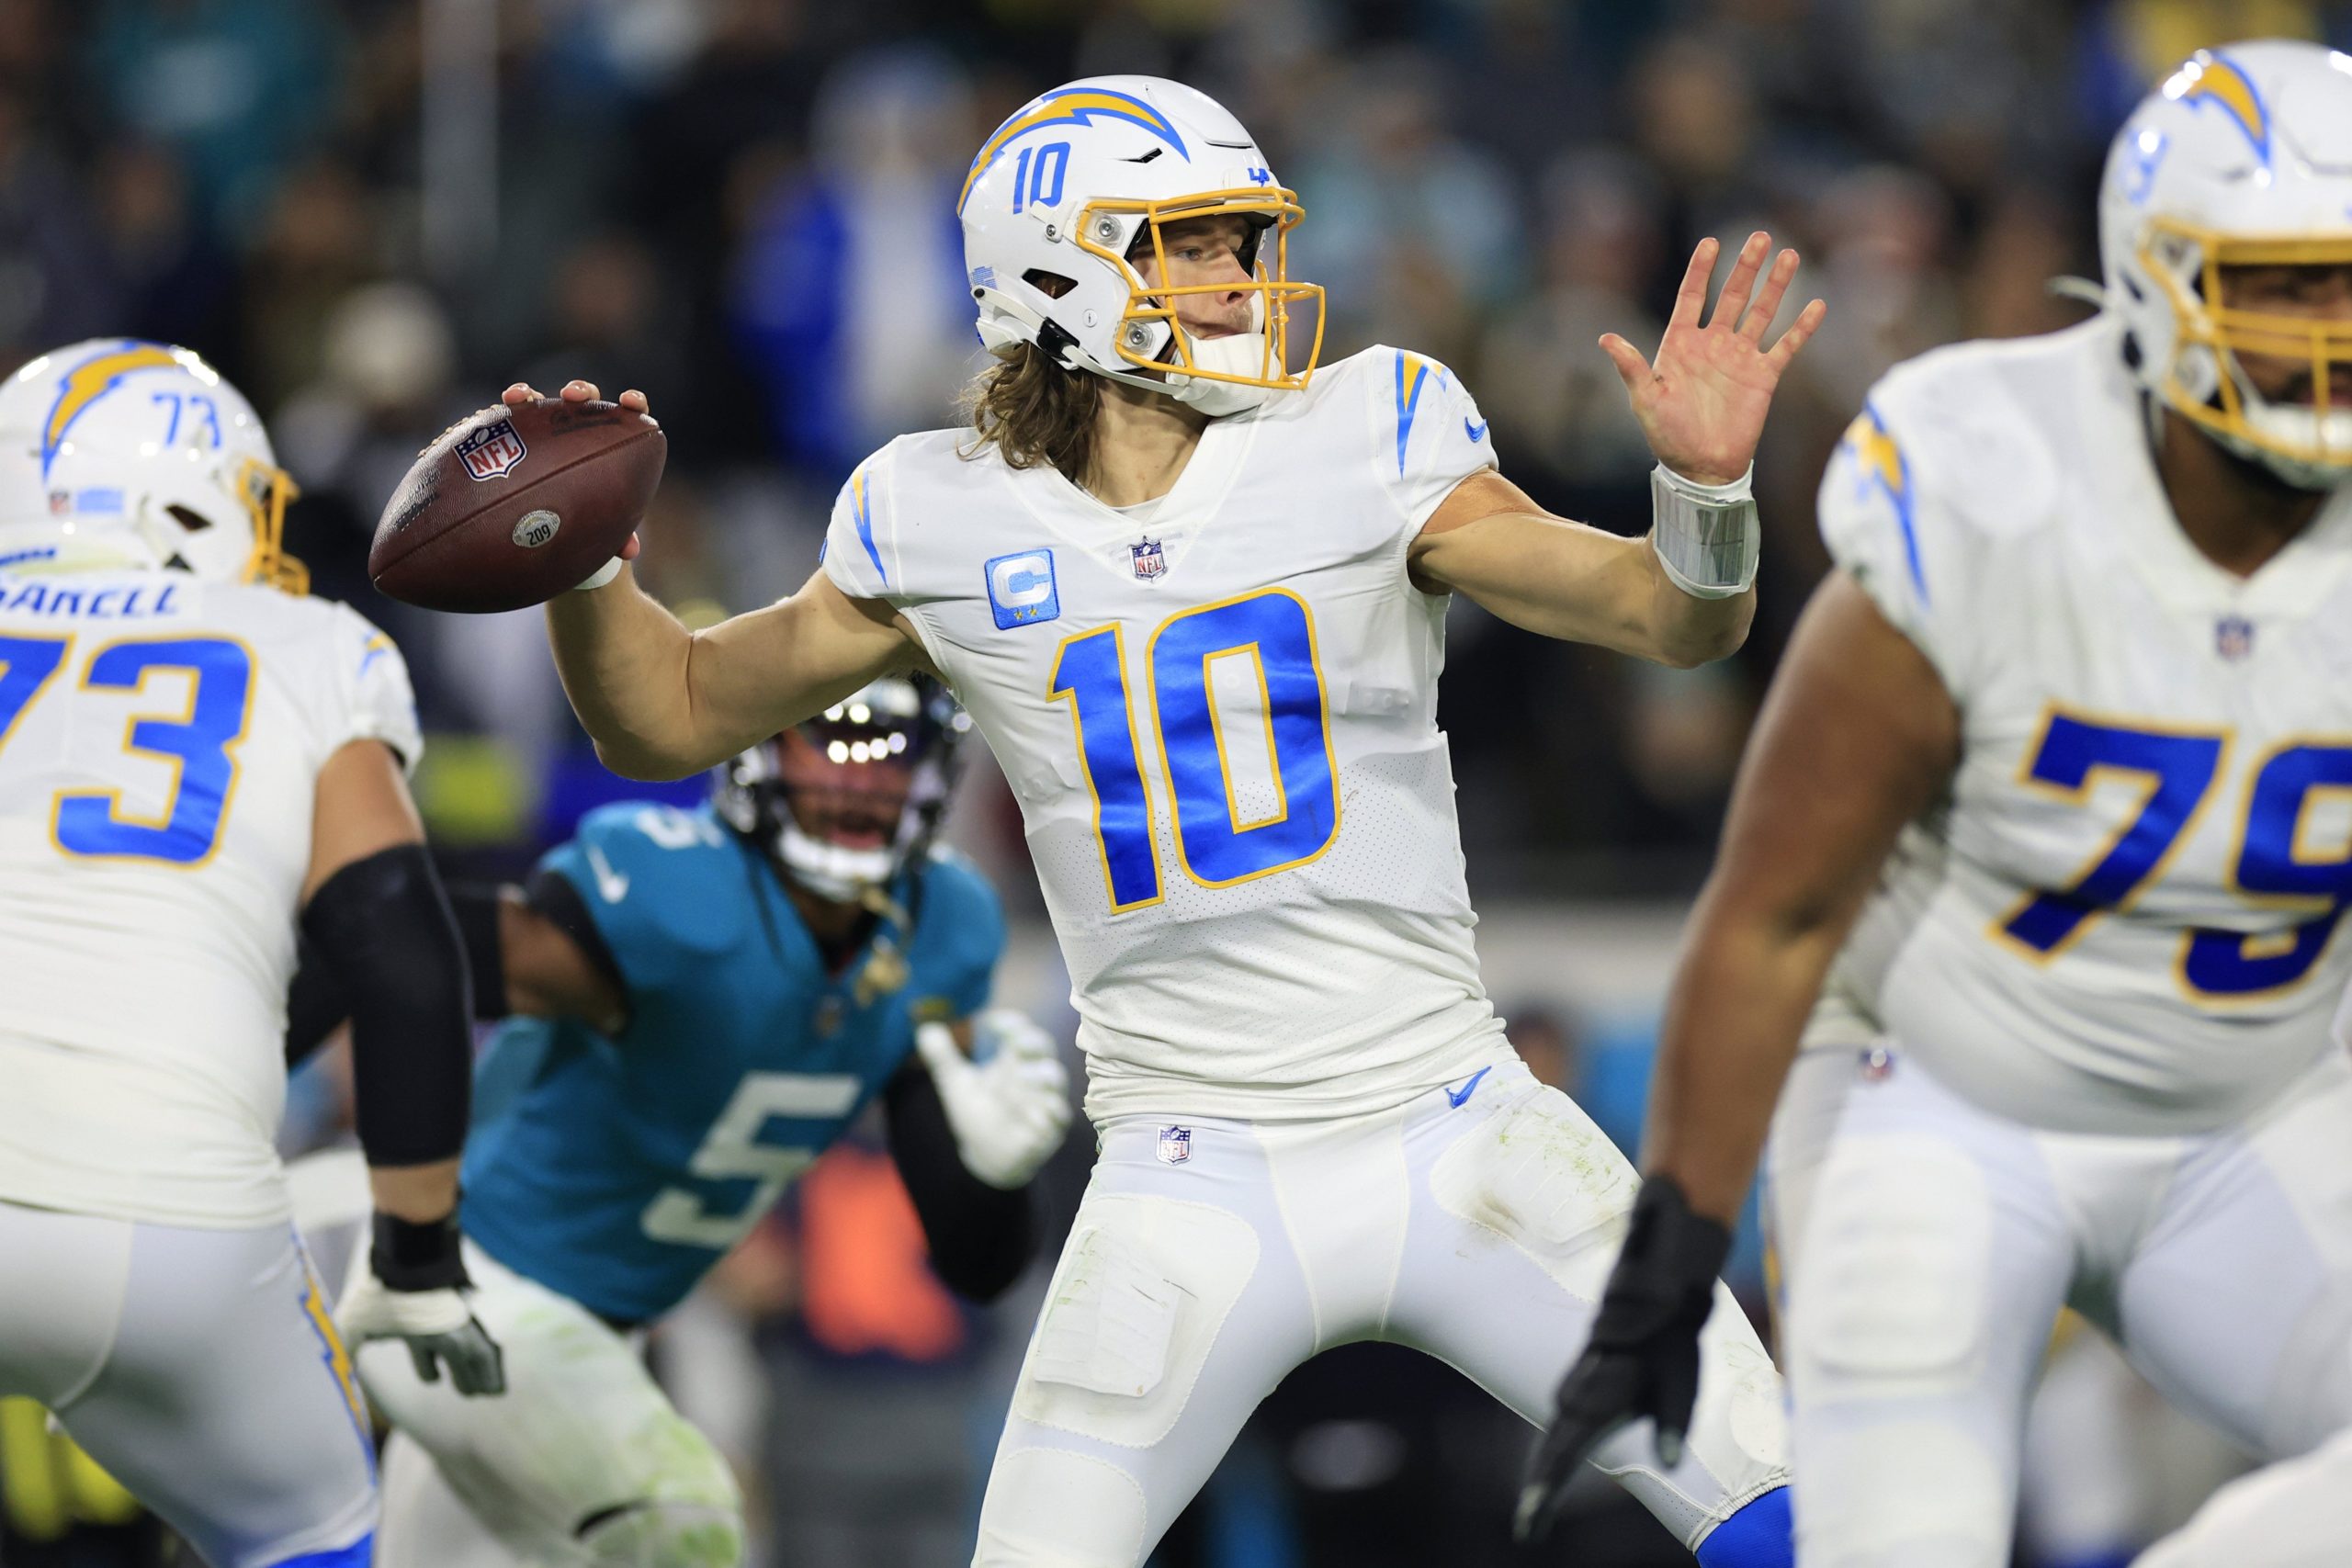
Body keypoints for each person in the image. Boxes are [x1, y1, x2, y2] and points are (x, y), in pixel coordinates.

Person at [523, 73, 1822, 1566]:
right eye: (1192, 243)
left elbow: (1671, 620)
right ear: (1055, 267)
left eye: (1243, 242)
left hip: (1453, 1121)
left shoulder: (1368, 429)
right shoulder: (937, 510)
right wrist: (578, 568)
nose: (1240, 278)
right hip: (1186, 1168)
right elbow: (668, 714)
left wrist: (1701, 494)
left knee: (1786, 1521)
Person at [1517, 39, 2352, 1568]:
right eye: (2292, 285)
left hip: (2248, 1098)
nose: (2335, 332)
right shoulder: (1992, 470)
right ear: (2165, 285)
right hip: (1948, 1096)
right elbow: (1777, 908)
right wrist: (1675, 1254)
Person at [288, 674, 1069, 1567]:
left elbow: (977, 1266)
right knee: (684, 1521)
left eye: (890, 750)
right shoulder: (678, 893)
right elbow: (388, 943)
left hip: (607, 1337)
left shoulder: (943, 927)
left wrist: (1000, 1173)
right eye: (831, 741)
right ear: (760, 750)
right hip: (470, 1292)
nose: (858, 779)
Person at [0, 339, 503, 1568]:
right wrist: (418, 1253)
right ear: (179, 501)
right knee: (314, 1532)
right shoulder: (310, 645)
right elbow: (396, 950)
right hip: (164, 1218)